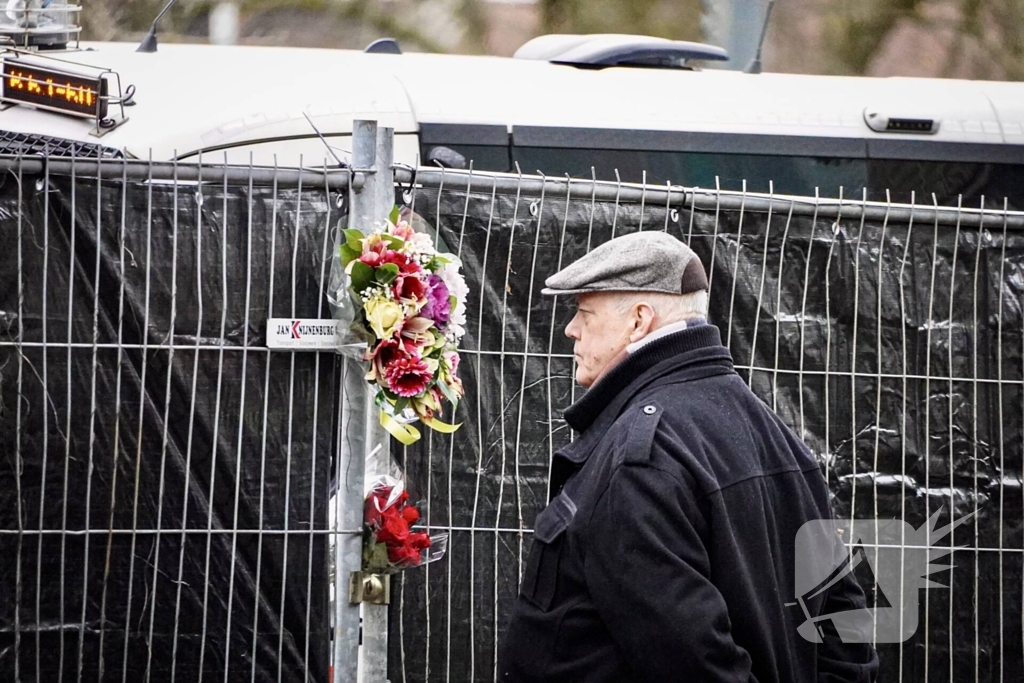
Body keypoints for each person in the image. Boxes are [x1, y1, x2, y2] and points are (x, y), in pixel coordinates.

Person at [498, 231, 879, 682]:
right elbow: (843, 620)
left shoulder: (640, 457)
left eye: (584, 312)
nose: (571, 329)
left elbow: (693, 663)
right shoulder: (770, 428)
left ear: (639, 321)